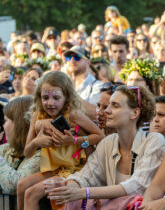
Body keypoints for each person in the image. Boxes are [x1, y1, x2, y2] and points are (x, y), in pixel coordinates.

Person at [48, 85, 165, 209]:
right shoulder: (108, 142)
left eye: (115, 106)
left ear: (135, 113)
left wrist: (84, 192)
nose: (106, 111)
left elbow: (137, 186)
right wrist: (70, 188)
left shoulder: (154, 140)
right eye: (108, 105)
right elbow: (84, 176)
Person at [17, 71, 104, 210]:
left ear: (67, 98)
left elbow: (99, 136)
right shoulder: (37, 116)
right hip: (55, 169)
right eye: (45, 97)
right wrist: (35, 142)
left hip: (75, 169)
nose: (50, 103)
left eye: (56, 97)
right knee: (22, 186)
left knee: (31, 194)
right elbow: (27, 153)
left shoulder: (73, 115)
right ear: (39, 97)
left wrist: (73, 140)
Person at [0, 97, 41, 195]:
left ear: (19, 124)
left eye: (5, 121)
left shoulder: (43, 154)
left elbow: (14, 186)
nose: (3, 126)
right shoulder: (7, 149)